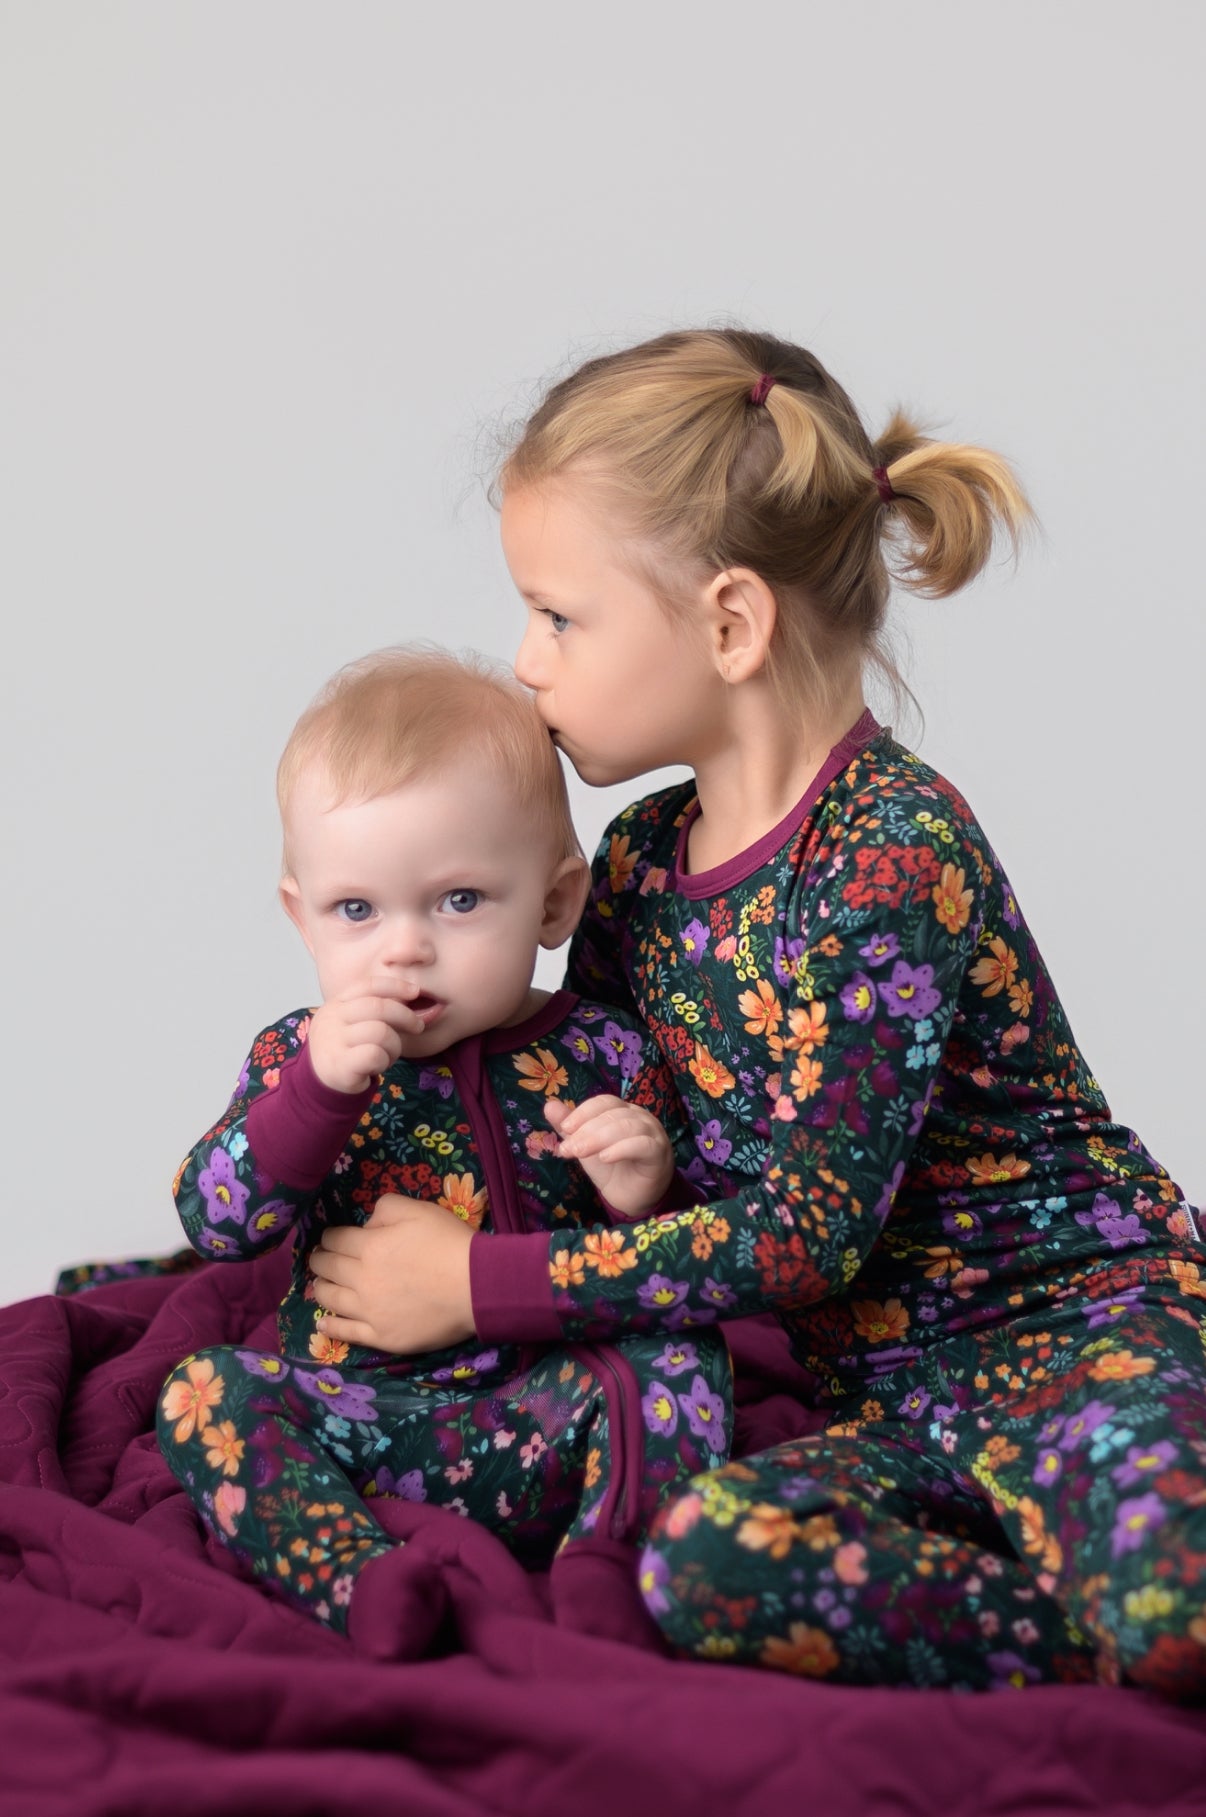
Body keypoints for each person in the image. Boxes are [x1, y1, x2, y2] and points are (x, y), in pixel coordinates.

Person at [309, 329, 1206, 1699]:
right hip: (888, 1397)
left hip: (1083, 1340)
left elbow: (804, 1234)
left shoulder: (889, 850)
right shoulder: (636, 863)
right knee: (706, 1563)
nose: (526, 660)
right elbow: (569, 1119)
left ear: (730, 623)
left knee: (1171, 1599)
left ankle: (1148, 1611)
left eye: (559, 615)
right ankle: (1100, 1627)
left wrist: (470, 1285)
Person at [156, 646, 732, 1656]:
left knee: (681, 1356)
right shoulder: (299, 1056)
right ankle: (359, 1575)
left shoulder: (600, 1049)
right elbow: (215, 1221)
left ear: (553, 902)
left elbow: (688, 1263)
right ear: (303, 919)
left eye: (458, 900)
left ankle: (616, 1562)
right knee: (204, 1392)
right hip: (363, 1420)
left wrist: (646, 1190)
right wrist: (315, 1094)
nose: (405, 946)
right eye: (357, 910)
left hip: (544, 1418)